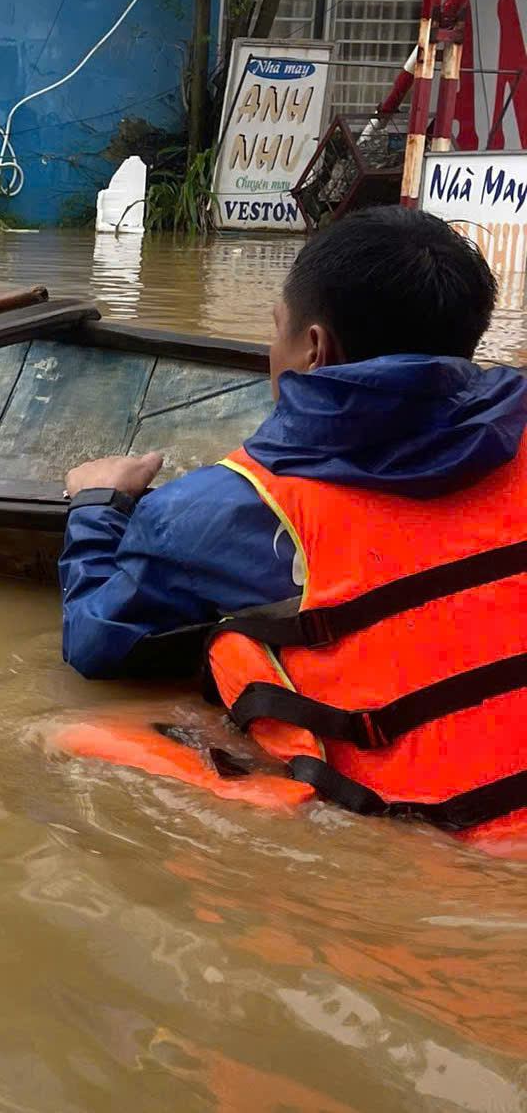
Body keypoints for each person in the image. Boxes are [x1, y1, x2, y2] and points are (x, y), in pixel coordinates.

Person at [59, 206, 527, 830]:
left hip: (427, 847)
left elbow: (97, 641)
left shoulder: (218, 510)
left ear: (313, 348)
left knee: (74, 734)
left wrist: (96, 507)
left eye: (276, 328)